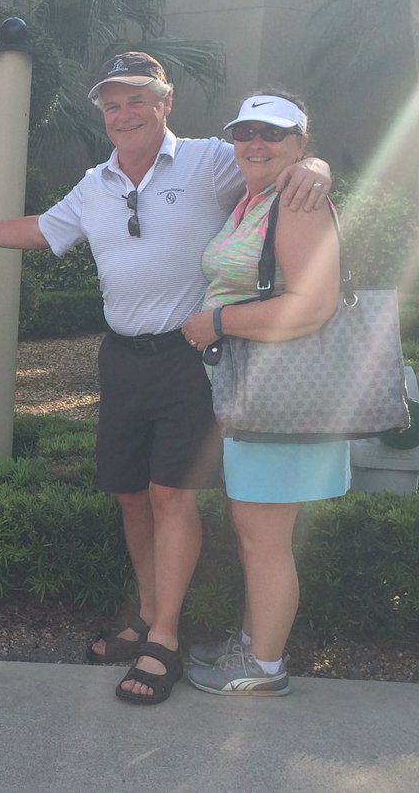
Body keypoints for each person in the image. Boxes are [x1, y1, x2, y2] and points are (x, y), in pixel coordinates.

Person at [0, 52, 331, 705]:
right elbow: (44, 229)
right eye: (112, 104)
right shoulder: (96, 184)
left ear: (165, 102)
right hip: (120, 359)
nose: (125, 114)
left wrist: (315, 164)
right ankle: (146, 612)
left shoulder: (210, 159)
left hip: (189, 358)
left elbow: (276, 158)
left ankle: (164, 639)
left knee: (171, 495)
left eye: (137, 99)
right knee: (130, 495)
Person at [180, 93, 347, 697]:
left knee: (264, 535)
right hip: (254, 394)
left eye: (274, 134)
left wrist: (217, 323)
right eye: (246, 131)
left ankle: (265, 667)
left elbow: (313, 305)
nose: (256, 143)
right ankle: (253, 647)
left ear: (300, 146)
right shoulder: (256, 198)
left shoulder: (299, 202)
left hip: (283, 397)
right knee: (255, 530)